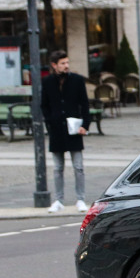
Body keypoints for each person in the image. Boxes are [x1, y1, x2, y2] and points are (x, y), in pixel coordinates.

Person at [40, 50, 91, 213]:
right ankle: (58, 199)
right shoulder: (47, 82)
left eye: (67, 62)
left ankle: (81, 199)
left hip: (74, 127)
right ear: (54, 65)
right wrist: (50, 122)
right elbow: (44, 105)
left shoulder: (76, 80)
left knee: (78, 166)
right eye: (63, 63)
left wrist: (85, 124)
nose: (66, 66)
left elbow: (84, 104)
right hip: (56, 128)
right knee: (57, 167)